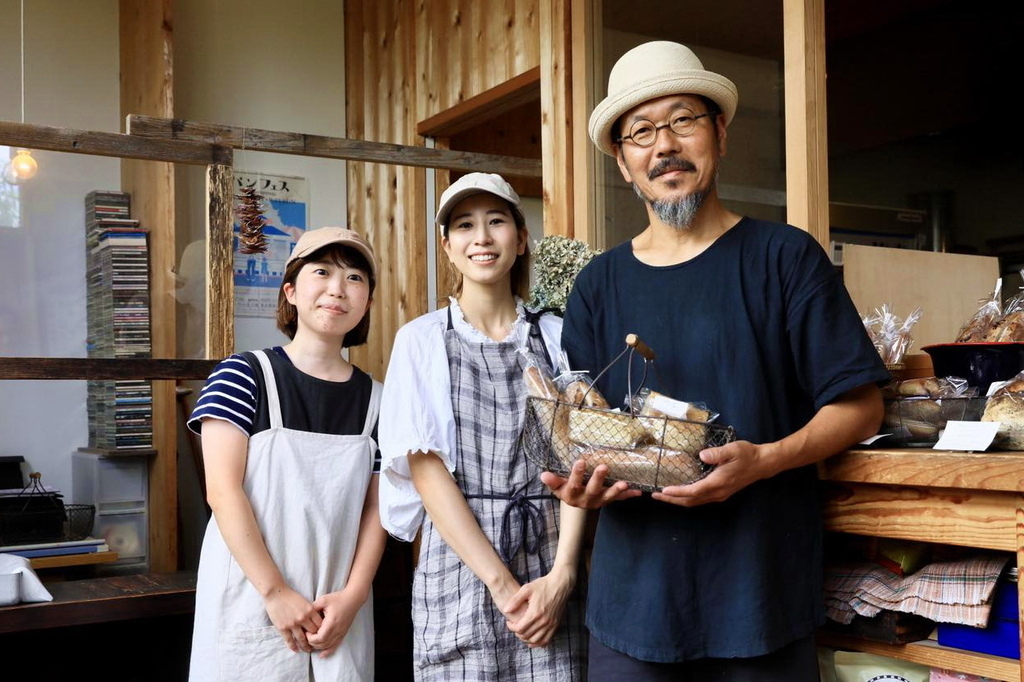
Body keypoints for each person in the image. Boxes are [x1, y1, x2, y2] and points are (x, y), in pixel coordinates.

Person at [543, 41, 890, 681]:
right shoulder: (598, 284)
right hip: (632, 610)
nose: (664, 146)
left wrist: (763, 462)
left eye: (683, 120)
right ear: (623, 163)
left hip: (757, 600)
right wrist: (581, 484)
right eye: (640, 132)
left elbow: (862, 405)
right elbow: (585, 424)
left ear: (719, 135)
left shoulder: (785, 259)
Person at [378, 172, 589, 680]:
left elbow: (579, 458)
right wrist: (500, 583)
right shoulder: (421, 341)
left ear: (520, 240)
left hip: (551, 549)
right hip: (461, 561)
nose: (482, 238)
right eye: (466, 225)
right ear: (449, 247)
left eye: (496, 222)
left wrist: (561, 578)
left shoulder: (558, 336)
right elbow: (427, 473)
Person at [187, 227, 388, 681]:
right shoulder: (242, 374)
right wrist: (275, 591)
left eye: (355, 278)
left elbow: (378, 508)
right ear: (292, 291)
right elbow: (223, 491)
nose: (338, 289)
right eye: (323, 272)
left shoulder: (379, 400)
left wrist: (353, 596)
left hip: (338, 614)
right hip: (252, 598)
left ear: (368, 304)